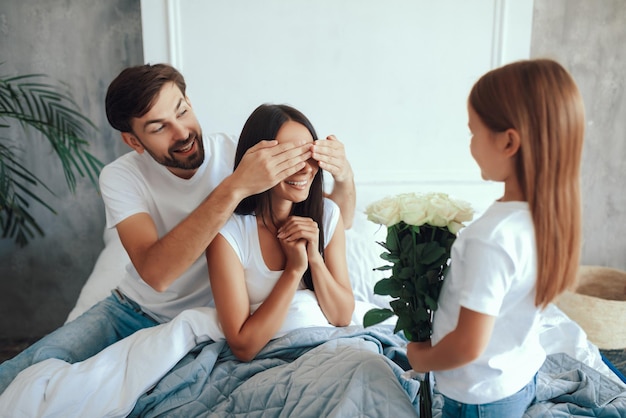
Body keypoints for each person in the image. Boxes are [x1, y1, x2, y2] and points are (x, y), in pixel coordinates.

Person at [0, 64, 356, 394]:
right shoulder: (122, 177)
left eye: (182, 111)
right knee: (29, 370)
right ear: (134, 141)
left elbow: (326, 214)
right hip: (134, 311)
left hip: (215, 319)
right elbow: (157, 274)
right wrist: (236, 187)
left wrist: (343, 174)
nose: (182, 131)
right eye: (158, 127)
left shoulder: (240, 151)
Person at [407, 59, 585, 417]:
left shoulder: (491, 238)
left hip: (478, 398)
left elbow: (468, 345)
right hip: (516, 378)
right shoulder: (546, 217)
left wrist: (421, 358)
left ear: (508, 141)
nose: (470, 143)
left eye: (473, 131)